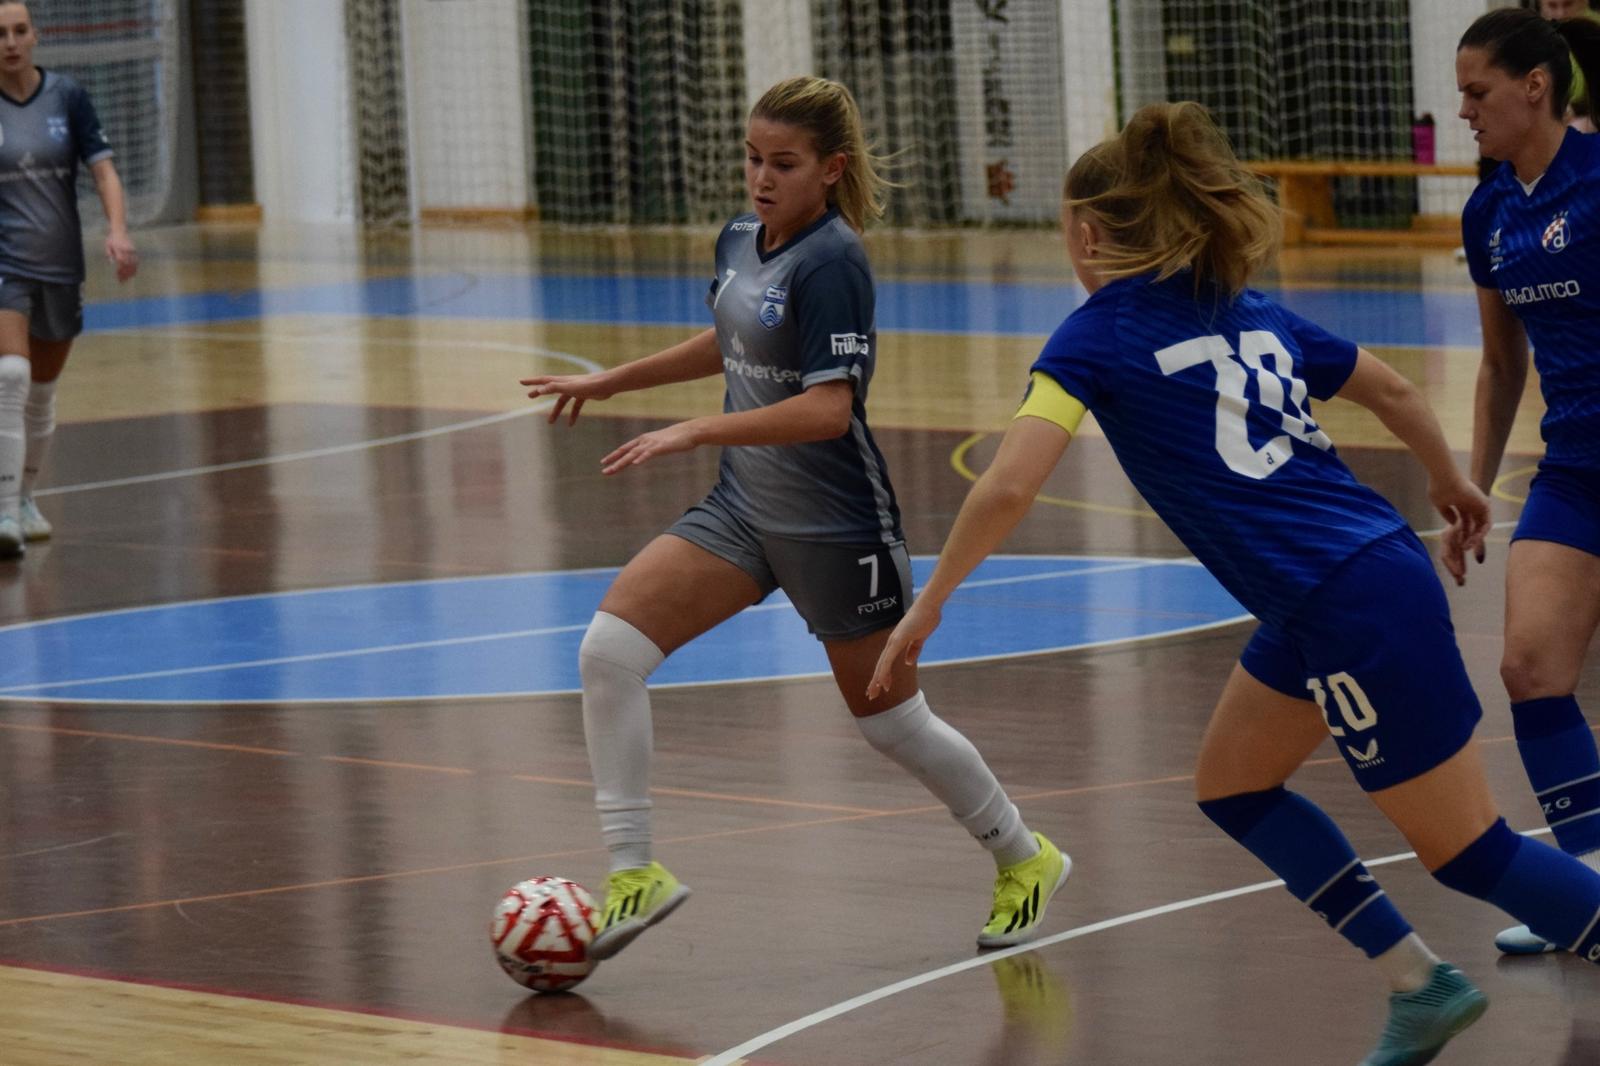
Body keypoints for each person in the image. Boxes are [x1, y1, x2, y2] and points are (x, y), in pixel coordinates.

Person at [868, 100, 1600, 1066]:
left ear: (1087, 236)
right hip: (1335, 588)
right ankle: (1419, 984)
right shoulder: (1243, 307)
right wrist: (1449, 480)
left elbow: (1008, 484)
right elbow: (1391, 388)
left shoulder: (1093, 335)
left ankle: (1454, 967)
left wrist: (928, 604)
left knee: (1469, 851)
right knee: (1234, 785)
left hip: (1345, 602)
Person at [520, 75, 1066, 961]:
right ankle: (633, 872)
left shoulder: (835, 262)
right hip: (744, 509)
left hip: (836, 526)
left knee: (890, 723)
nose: (761, 178)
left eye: (783, 163)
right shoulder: (740, 238)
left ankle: (1024, 855)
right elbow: (731, 340)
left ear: (831, 169)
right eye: (752, 159)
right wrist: (614, 380)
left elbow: (827, 410)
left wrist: (697, 428)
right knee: (609, 653)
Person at [1456, 8, 1600, 957]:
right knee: (1529, 668)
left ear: (1535, 86)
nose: (1465, 111)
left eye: (1478, 92)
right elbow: (1502, 364)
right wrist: (1470, 487)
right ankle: (1588, 889)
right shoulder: (1490, 213)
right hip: (1576, 467)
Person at [0, 1, 137, 559]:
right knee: (10, 376)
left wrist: (118, 230)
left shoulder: (68, 97)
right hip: (5, 264)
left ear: (36, 35)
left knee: (41, 392)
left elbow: (103, 170)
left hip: (58, 262)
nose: (10, 42)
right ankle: (4, 512)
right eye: (0, 34)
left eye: (19, 31)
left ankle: (25, 498)